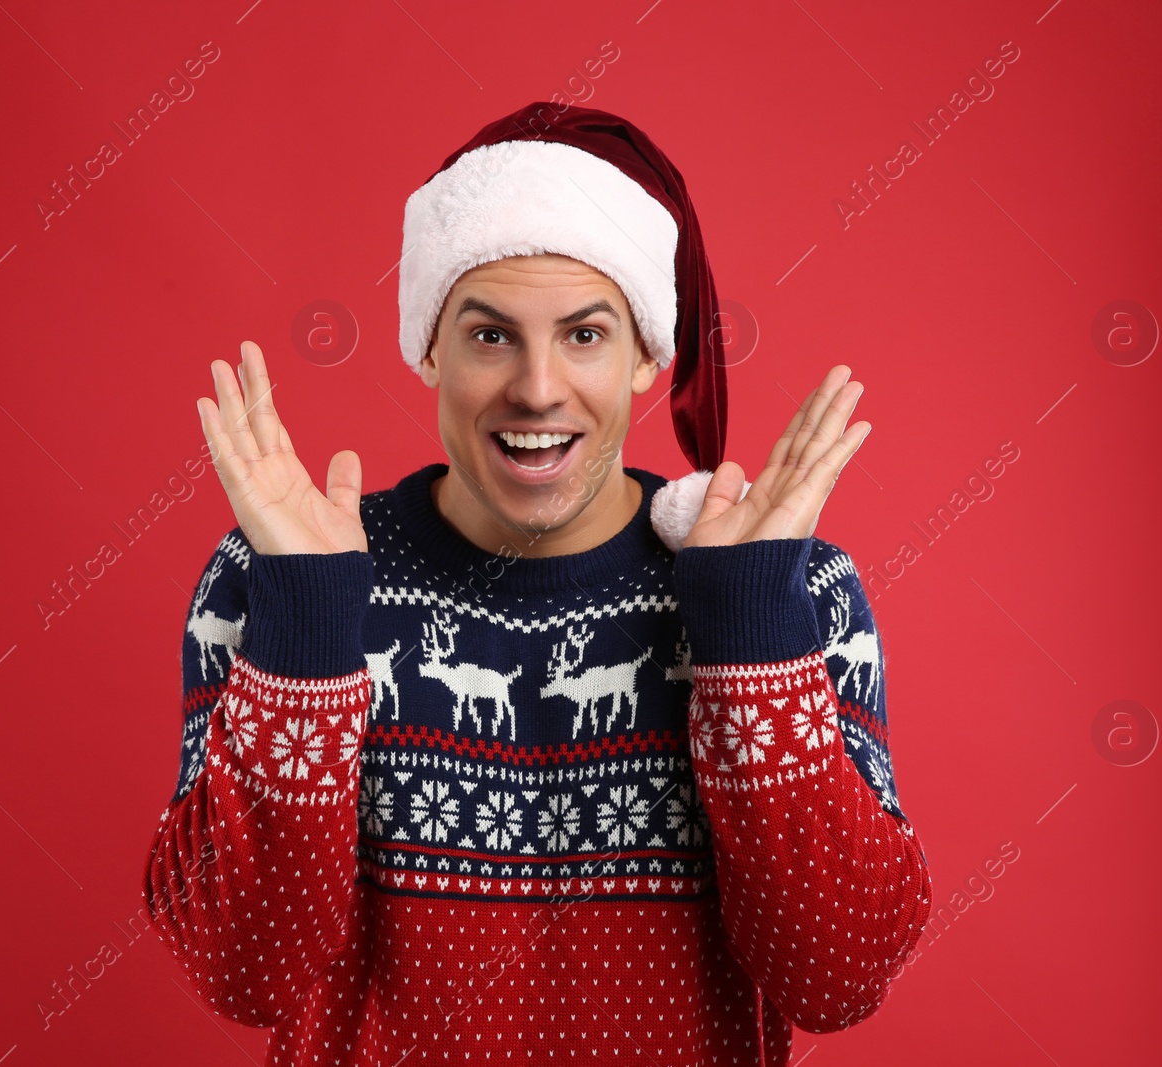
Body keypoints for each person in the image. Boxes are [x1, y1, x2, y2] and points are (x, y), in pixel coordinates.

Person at [142, 101, 931, 1065]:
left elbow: (837, 972)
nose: (539, 388)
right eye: (489, 336)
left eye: (586, 335)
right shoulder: (274, 582)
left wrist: (751, 629)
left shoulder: (797, 596)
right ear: (428, 345)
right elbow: (244, 969)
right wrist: (309, 624)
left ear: (649, 355)